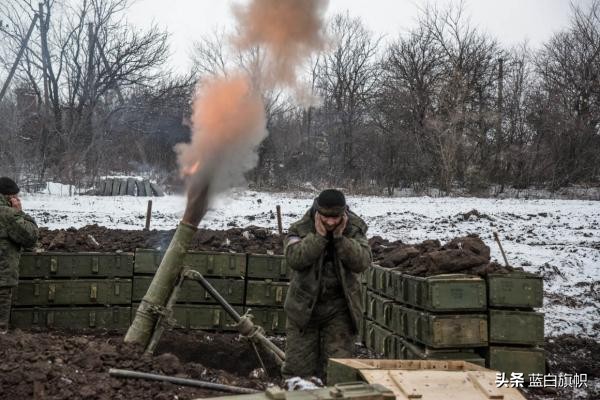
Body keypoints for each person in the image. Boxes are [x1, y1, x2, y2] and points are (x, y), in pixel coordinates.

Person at [281, 189, 371, 380]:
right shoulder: (301, 228)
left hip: (340, 309)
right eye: (326, 217)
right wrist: (319, 238)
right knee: (297, 373)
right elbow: (295, 258)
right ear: (317, 212)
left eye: (336, 217)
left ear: (344, 213)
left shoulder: (354, 229)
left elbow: (362, 261)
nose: (331, 222)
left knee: (338, 373)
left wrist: (340, 240)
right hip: (303, 310)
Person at [0, 177, 38, 333]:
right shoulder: (8, 214)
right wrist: (19, 212)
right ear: (9, 196)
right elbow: (30, 236)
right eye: (16, 196)